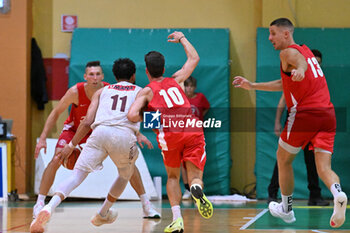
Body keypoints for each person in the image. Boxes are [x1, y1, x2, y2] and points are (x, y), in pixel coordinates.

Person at [233, 18, 347, 228]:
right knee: (323, 167)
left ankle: (286, 209)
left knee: (283, 159)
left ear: (286, 33)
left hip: (306, 114)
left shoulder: (288, 53)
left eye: (273, 33)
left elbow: (299, 65)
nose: (269, 38)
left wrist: (301, 70)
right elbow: (283, 84)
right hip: (327, 114)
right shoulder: (307, 52)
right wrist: (253, 85)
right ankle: (338, 193)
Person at [30, 58, 154, 232]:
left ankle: (50, 206)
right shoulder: (141, 91)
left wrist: (72, 145)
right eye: (91, 74)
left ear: (109, 75)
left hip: (98, 133)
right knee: (126, 172)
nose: (95, 78)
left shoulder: (104, 91)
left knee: (76, 176)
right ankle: (103, 212)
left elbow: (88, 121)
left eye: (98, 74)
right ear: (133, 76)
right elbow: (139, 115)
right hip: (119, 135)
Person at [128, 31, 213, 233]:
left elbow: (132, 115)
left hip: (170, 134)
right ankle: (195, 188)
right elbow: (194, 58)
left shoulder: (147, 90)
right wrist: (182, 38)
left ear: (146, 71)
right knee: (195, 175)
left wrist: (155, 118)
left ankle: (177, 219)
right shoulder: (177, 79)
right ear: (164, 69)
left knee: (173, 177)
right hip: (192, 128)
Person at [267, 49, 329, 206]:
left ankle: (315, 195)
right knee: (283, 159)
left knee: (311, 159)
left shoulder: (317, 80)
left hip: (312, 120)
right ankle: (273, 193)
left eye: (319, 63)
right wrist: (276, 121)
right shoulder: (294, 74)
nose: (316, 65)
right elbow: (282, 99)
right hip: (295, 119)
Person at [181, 76, 210, 200]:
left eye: (191, 86)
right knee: (183, 163)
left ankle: (197, 187)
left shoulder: (200, 98)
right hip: (182, 133)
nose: (189, 88)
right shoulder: (181, 99)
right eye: (187, 86)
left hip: (197, 134)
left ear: (195, 87)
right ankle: (188, 189)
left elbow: (206, 108)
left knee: (197, 162)